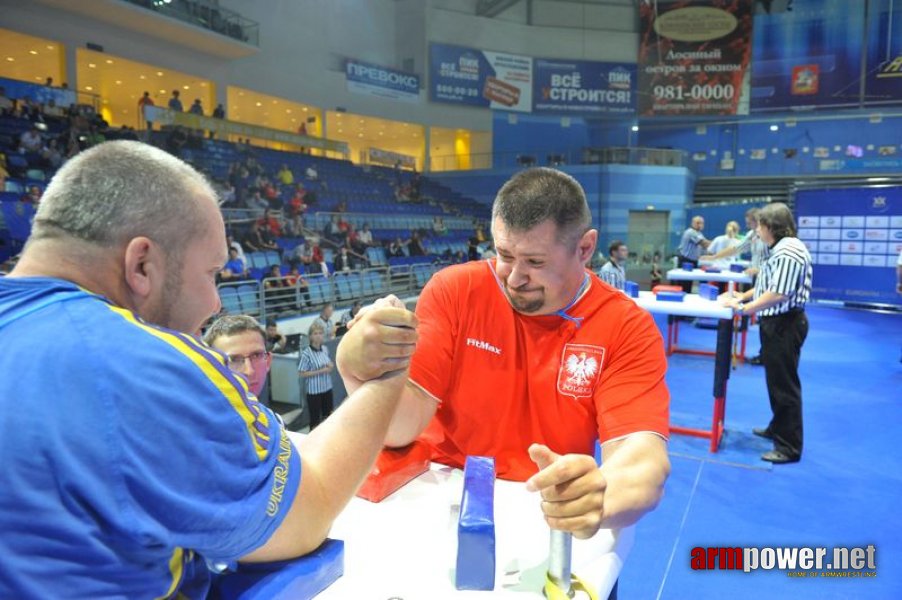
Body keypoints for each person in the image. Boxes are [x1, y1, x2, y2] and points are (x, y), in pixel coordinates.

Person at [0, 141, 419, 598]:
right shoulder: (150, 366)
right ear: (142, 264)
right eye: (211, 273)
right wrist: (387, 372)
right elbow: (308, 510)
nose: (216, 302)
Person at [340, 167, 670, 538]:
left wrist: (602, 497)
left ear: (585, 248)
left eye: (535, 262)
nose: (514, 277)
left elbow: (642, 457)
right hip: (440, 499)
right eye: (504, 254)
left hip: (546, 510)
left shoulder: (625, 326)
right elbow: (402, 428)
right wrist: (355, 369)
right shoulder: (455, 291)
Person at [720, 202, 812, 464]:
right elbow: (767, 284)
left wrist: (745, 308)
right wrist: (743, 295)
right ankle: (778, 427)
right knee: (776, 382)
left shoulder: (787, 252)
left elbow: (779, 293)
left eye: (759, 225)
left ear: (770, 227)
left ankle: (788, 447)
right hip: (778, 322)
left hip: (784, 323)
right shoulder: (781, 249)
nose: (756, 231)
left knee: (785, 387)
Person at [205, 315, 272, 398]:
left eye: (256, 355)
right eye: (234, 360)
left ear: (268, 362)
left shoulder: (263, 410)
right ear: (211, 367)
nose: (249, 371)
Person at [298, 321, 334, 430]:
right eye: (315, 333)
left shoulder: (325, 349)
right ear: (310, 337)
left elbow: (329, 365)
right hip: (314, 391)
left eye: (320, 333)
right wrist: (320, 371)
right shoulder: (306, 353)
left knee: (328, 416)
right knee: (315, 420)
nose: (318, 336)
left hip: (327, 388)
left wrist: (330, 366)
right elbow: (301, 373)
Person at [676, 216, 710, 293]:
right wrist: (719, 242)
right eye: (697, 223)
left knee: (689, 285)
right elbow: (704, 244)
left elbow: (705, 248)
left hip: (693, 261)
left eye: (701, 223)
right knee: (684, 285)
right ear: (692, 223)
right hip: (685, 261)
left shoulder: (699, 234)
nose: (700, 225)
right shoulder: (691, 232)